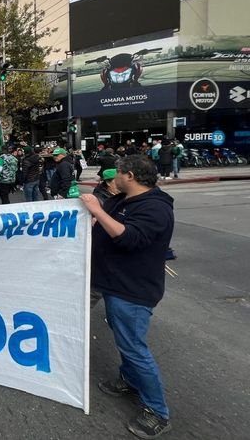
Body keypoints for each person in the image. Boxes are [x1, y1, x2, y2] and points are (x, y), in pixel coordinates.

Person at [80, 155, 174, 439]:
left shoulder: (155, 208)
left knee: (133, 346)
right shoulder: (123, 200)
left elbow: (129, 238)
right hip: (113, 283)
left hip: (132, 290)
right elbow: (105, 225)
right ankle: (130, 379)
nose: (114, 178)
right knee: (124, 338)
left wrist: (98, 211)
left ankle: (157, 412)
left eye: (118, 173)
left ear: (129, 176)